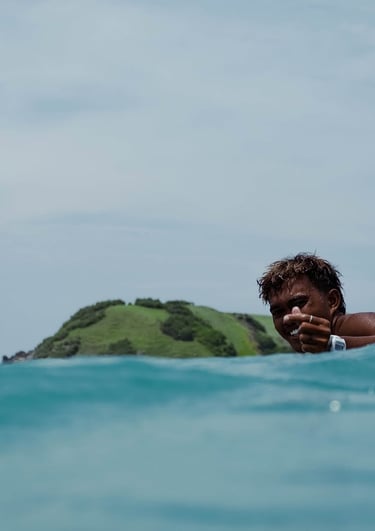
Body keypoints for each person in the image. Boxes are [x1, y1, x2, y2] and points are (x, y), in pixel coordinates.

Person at [257, 252, 375, 353]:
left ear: (332, 301)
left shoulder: (358, 325)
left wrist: (332, 345)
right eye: (278, 312)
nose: (288, 318)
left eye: (299, 303)